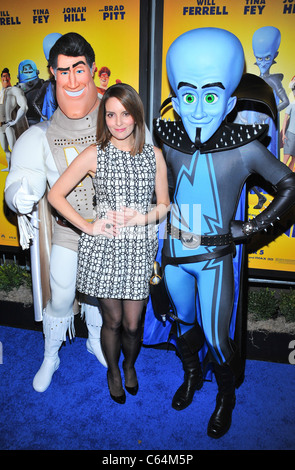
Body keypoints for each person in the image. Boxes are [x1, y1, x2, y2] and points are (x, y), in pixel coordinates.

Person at [152, 27, 295, 438]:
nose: (198, 109)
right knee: (181, 323)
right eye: (189, 97)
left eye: (210, 96)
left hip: (215, 258)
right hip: (175, 254)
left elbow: (289, 185)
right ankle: (193, 376)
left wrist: (249, 228)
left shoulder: (244, 147)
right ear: (177, 101)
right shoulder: (170, 138)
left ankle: (225, 396)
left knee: (217, 338)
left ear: (229, 101)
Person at [48, 83, 170, 404]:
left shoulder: (154, 156)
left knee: (133, 324)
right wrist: (88, 225)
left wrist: (139, 218)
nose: (118, 122)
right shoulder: (94, 153)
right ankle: (114, 370)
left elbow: (164, 205)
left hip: (139, 249)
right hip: (103, 249)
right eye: (111, 114)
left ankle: (130, 365)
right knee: (112, 321)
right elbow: (55, 195)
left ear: (136, 115)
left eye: (125, 114)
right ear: (104, 117)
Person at [5, 33, 107, 393]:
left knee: (99, 292)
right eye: (64, 71)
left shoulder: (118, 121)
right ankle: (51, 353)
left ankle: (96, 340)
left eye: (80, 69)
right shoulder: (40, 135)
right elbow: (19, 180)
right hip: (68, 229)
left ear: (93, 70)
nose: (73, 80)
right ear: (52, 74)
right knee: (62, 293)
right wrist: (21, 196)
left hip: (108, 230)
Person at [0, 67, 28, 171]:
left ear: (10, 77)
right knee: (5, 149)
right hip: (0, 126)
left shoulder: (14, 90)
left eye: (6, 76)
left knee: (14, 147)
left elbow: (24, 106)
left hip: (8, 124)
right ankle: (10, 166)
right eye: (3, 76)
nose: (5, 78)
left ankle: (20, 167)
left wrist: (15, 121)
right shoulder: (1, 93)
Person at [282, 76, 295, 172]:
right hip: (290, 134)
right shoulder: (291, 105)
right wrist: (283, 134)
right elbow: (285, 120)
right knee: (285, 159)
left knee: (293, 160)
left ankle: (291, 180)